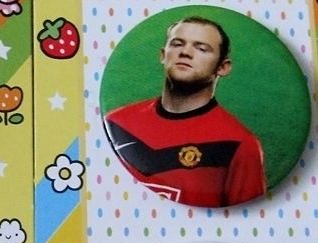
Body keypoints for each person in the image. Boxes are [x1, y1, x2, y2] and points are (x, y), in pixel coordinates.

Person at [103, 16, 266, 208]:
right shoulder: (116, 123)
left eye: (202, 48)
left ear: (223, 67)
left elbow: (247, 216)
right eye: (177, 44)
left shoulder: (239, 144)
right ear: (163, 55)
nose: (185, 52)